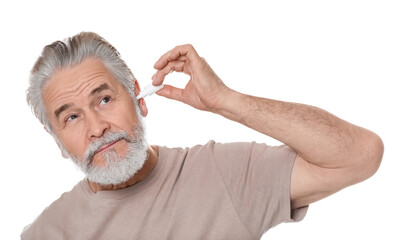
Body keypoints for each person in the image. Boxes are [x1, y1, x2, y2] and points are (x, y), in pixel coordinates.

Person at [21, 32, 383, 240]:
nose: (96, 127)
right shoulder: (47, 234)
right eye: (71, 117)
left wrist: (227, 101)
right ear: (57, 141)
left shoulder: (222, 173)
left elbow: (360, 155)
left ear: (136, 97)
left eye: (104, 99)